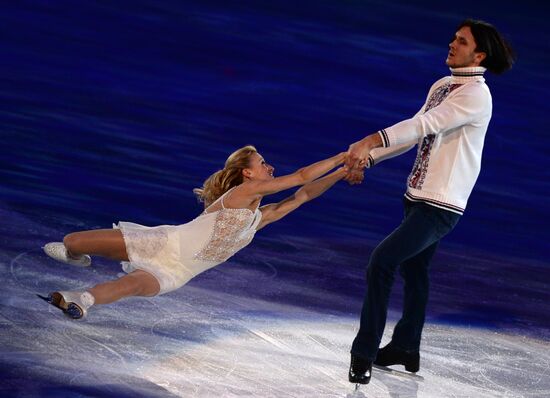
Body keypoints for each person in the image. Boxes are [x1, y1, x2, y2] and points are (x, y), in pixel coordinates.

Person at [344, 19, 516, 384]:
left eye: (461, 41)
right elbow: (414, 130)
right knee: (415, 271)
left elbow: (425, 125)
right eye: (454, 37)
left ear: (479, 54)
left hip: (441, 206)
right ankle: (406, 347)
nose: (452, 44)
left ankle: (363, 352)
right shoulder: (443, 85)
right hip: (417, 196)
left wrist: (370, 140)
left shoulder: (475, 94)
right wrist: (368, 159)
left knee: (382, 262)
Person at [40, 145, 347, 319]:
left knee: (128, 287)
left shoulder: (260, 218)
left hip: (177, 273)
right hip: (161, 244)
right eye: (263, 163)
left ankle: (78, 299)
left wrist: (343, 172)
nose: (271, 167)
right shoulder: (242, 193)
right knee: (73, 241)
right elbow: (301, 177)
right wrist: (343, 156)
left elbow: (304, 194)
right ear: (247, 173)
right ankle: (76, 257)